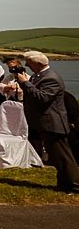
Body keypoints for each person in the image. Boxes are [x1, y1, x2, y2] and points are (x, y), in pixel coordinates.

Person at [17, 51, 79, 194]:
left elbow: (42, 97)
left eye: (29, 63)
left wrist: (25, 83)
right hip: (45, 123)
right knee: (56, 157)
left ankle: (75, 185)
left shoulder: (51, 78)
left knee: (63, 157)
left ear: (39, 64)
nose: (27, 65)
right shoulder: (38, 76)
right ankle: (64, 184)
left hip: (53, 123)